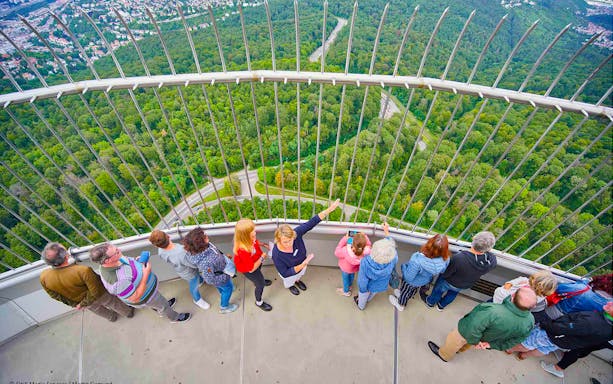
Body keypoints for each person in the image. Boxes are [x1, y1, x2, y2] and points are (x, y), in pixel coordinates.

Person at [427, 286, 537, 362]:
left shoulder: (492, 310)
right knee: (466, 345)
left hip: (466, 333)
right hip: (485, 340)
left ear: (513, 296)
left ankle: (444, 355)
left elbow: (471, 329)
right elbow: (516, 340)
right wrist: (490, 345)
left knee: (453, 341)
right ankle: (459, 351)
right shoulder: (530, 321)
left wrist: (476, 341)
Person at [507, 302, 613, 379]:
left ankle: (510, 349)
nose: (609, 302)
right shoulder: (609, 328)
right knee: (544, 349)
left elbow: (565, 328)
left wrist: (546, 325)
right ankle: (523, 356)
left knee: (529, 343)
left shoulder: (593, 322)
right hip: (565, 342)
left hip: (554, 334)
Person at [90, 243, 190, 323]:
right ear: (108, 260)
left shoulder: (114, 260)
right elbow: (135, 297)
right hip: (146, 297)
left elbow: (127, 266)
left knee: (159, 303)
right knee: (162, 305)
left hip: (149, 292)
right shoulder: (117, 281)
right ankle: (174, 317)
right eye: (116, 252)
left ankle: (161, 307)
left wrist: (136, 261)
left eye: (117, 249)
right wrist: (145, 274)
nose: (120, 251)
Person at [40, 242, 134, 322]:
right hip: (100, 295)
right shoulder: (83, 271)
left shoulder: (44, 276)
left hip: (80, 301)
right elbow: (95, 290)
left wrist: (77, 304)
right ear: (66, 256)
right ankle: (128, 312)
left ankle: (112, 317)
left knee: (98, 310)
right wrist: (84, 302)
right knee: (112, 302)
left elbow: (54, 295)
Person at [271, 199, 340, 295]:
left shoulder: (295, 234)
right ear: (278, 240)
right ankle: (291, 285)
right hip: (292, 272)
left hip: (302, 264)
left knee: (299, 275)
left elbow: (312, 222)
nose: (289, 244)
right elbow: (285, 273)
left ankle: (298, 281)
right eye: (285, 242)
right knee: (289, 281)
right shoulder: (277, 254)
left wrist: (330, 209)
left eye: (291, 240)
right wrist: (304, 263)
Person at [421, 231, 497, 311]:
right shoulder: (491, 261)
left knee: (438, 291)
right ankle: (441, 306)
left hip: (449, 281)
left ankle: (430, 303)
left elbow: (447, 273)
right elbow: (490, 258)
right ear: (489, 248)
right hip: (465, 284)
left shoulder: (459, 258)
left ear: (473, 240)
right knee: (452, 294)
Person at [148, 230, 210, 310]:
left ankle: (200, 281)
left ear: (156, 245)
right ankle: (197, 299)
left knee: (196, 279)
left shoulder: (161, 251)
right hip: (190, 273)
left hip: (181, 270)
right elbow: (192, 264)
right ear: (168, 236)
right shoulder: (181, 251)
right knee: (193, 286)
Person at [389, 234, 450, 312]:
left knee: (405, 291)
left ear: (430, 244)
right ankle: (406, 295)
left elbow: (408, 277)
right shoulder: (446, 259)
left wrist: (403, 267)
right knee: (412, 290)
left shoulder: (417, 259)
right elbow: (442, 271)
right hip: (424, 280)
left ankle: (401, 304)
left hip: (411, 282)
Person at [184, 227, 238, 314]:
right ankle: (224, 306)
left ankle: (222, 291)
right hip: (221, 276)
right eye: (204, 236)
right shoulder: (206, 262)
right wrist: (225, 276)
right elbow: (210, 279)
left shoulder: (206, 246)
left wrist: (223, 258)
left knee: (223, 287)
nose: (206, 236)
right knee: (228, 288)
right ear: (200, 243)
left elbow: (215, 253)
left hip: (220, 270)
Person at [355, 223, 398, 310]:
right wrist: (386, 232)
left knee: (363, 296)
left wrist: (363, 290)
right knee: (372, 293)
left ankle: (361, 306)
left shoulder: (365, 262)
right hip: (380, 284)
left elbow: (362, 280)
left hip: (367, 286)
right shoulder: (393, 257)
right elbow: (390, 247)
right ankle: (368, 300)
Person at [233, 219, 273, 311]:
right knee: (260, 284)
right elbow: (251, 269)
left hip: (256, 260)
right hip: (249, 269)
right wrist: (262, 257)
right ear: (245, 235)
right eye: (253, 231)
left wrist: (263, 244)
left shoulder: (250, 239)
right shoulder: (243, 250)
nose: (255, 231)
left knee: (259, 272)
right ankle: (259, 302)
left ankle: (258, 281)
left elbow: (255, 242)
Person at [493, 270, 557, 320]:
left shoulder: (535, 298)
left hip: (501, 306)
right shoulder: (525, 281)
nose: (530, 279)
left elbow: (504, 290)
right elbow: (508, 284)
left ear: (538, 286)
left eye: (533, 278)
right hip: (505, 307)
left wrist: (504, 290)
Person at [545, 278, 612, 320]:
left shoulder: (581, 288)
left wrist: (585, 282)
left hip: (556, 312)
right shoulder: (609, 305)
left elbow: (559, 288)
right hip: (574, 321)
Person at [334, 231, 371, 297]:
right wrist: (364, 236)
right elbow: (369, 244)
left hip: (345, 268)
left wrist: (345, 239)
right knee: (351, 276)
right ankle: (350, 285)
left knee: (345, 279)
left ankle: (346, 291)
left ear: (352, 243)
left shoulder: (345, 250)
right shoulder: (366, 251)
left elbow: (336, 252)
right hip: (354, 268)